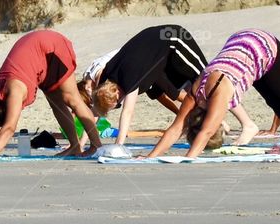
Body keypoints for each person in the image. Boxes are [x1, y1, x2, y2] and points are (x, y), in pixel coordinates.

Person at [146, 29, 280, 159]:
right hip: (241, 47)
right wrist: (150, 157)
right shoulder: (194, 94)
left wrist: (189, 158)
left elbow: (206, 132)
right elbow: (175, 128)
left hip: (262, 46)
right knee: (278, 104)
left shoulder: (218, 91)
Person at [81, 25, 260, 146]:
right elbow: (95, 112)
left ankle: (248, 124)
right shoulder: (105, 83)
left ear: (118, 96)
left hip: (172, 38)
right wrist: (84, 145)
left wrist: (118, 145)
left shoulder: (129, 79)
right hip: (154, 56)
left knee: (209, 80)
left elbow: (127, 113)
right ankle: (218, 119)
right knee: (182, 91)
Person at [0, 29, 101, 162]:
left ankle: (96, 146)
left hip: (51, 46)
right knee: (55, 102)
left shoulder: (15, 90)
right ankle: (74, 146)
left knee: (70, 98)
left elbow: (10, 127)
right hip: (36, 53)